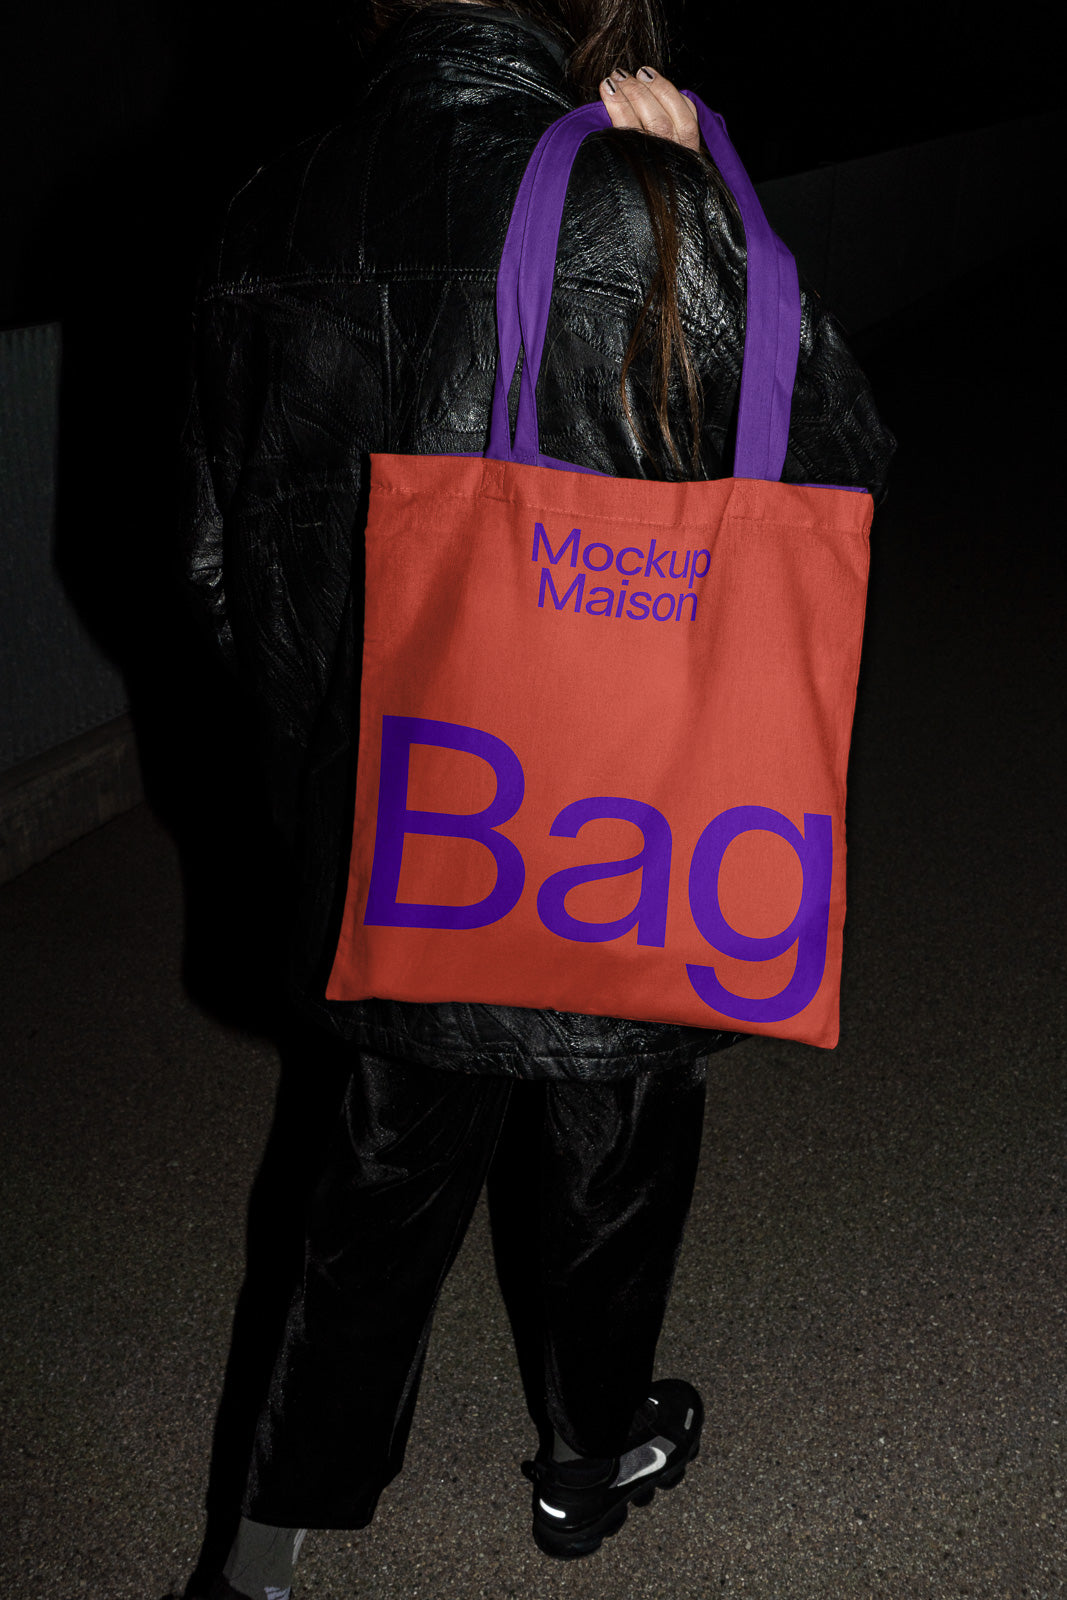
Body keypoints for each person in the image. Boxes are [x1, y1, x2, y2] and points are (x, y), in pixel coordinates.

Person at [182, 2, 895, 1594]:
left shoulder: (266, 202)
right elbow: (837, 458)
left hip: (409, 823)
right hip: (622, 823)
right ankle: (591, 1460)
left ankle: (261, 1552)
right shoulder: (637, 191)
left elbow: (216, 562)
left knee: (373, 1172)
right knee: (610, 1148)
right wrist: (719, 215)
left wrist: (344, 752)